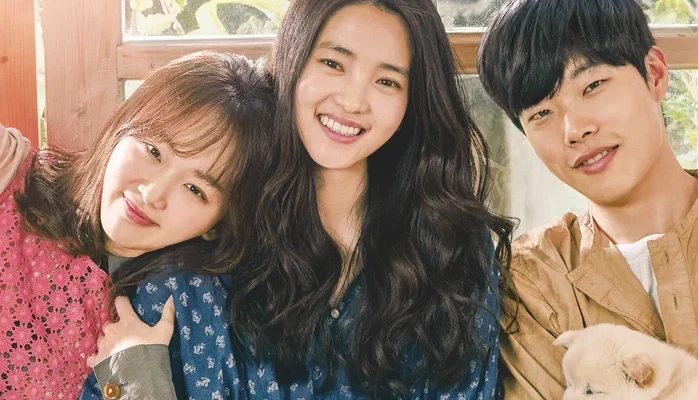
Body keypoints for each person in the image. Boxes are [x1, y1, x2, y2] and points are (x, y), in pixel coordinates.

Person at [81, 0, 515, 398]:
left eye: (387, 80)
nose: (352, 101)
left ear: (412, 100)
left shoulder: (453, 248)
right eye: (333, 63)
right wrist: (138, 381)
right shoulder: (195, 267)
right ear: (291, 59)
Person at [0, 50, 272, 399]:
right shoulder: (14, 176)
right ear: (123, 125)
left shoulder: (191, 315)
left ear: (218, 224)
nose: (153, 193)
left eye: (195, 189)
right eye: (153, 151)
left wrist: (139, 378)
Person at [477, 0, 698, 399]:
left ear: (655, 74)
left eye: (592, 86)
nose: (574, 129)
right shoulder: (533, 281)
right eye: (541, 113)